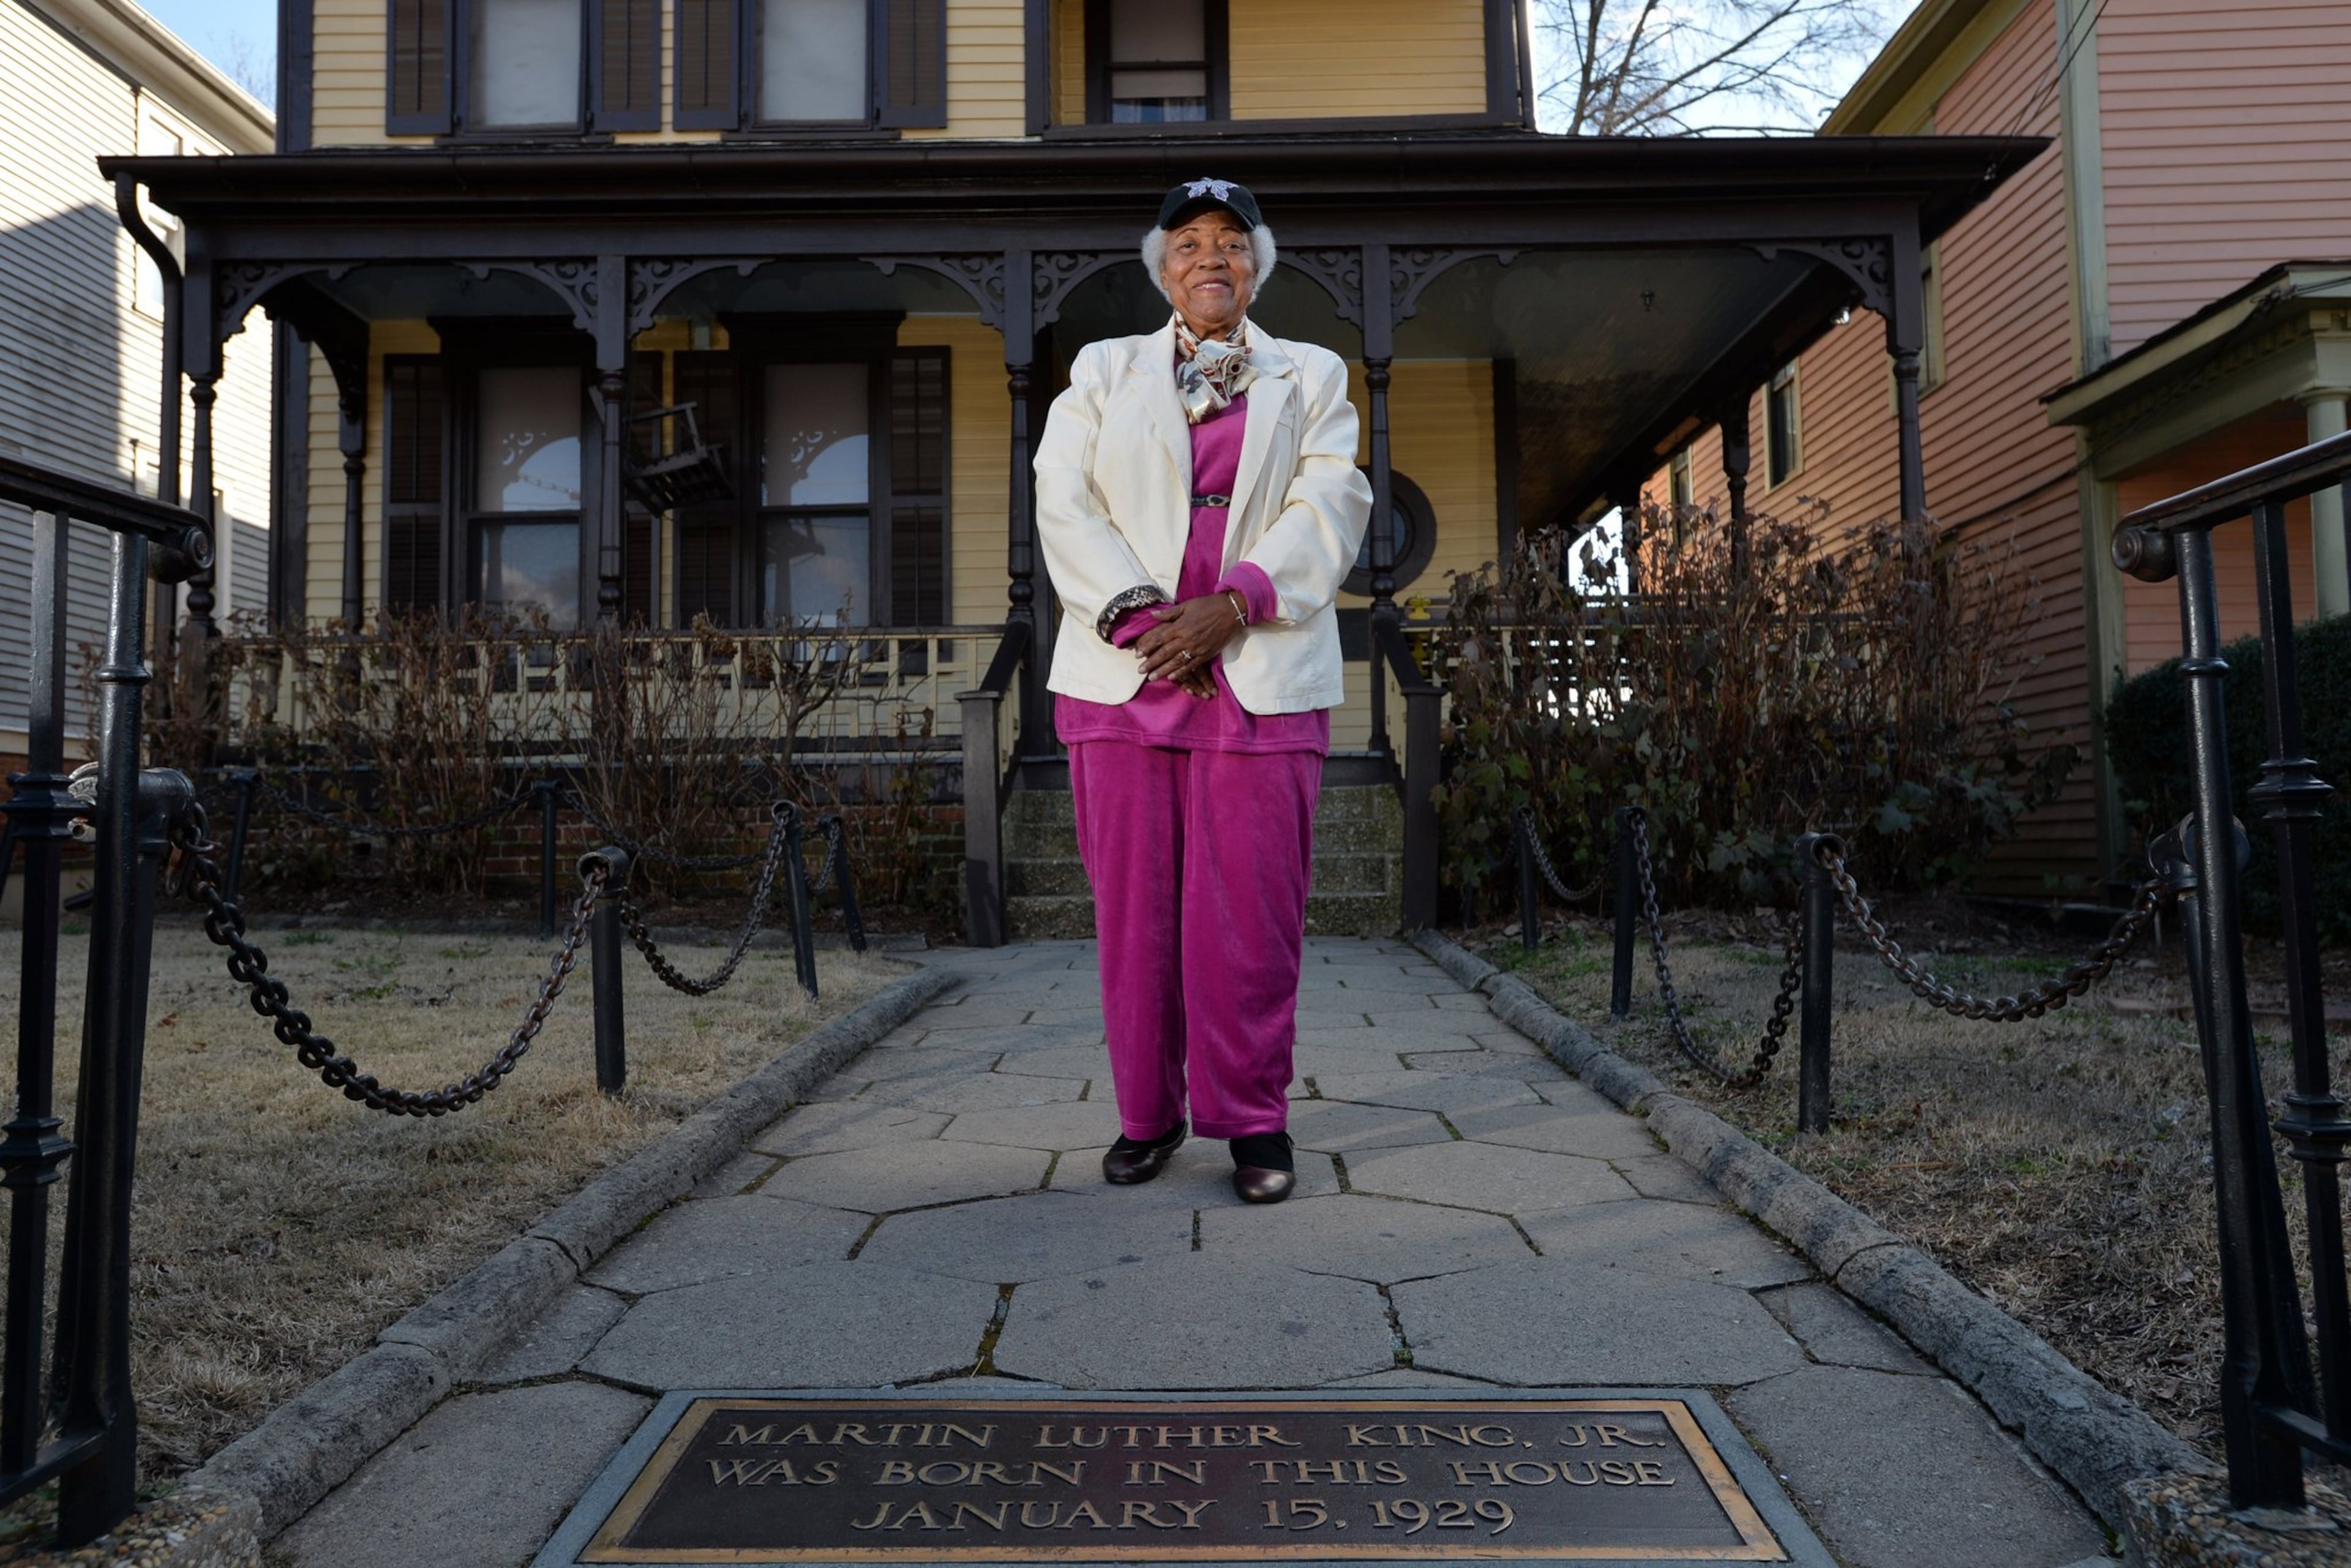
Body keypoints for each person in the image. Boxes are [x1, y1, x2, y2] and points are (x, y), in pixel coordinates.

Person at [1032, 178, 1373, 1205]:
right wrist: (1146, 620)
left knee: (1251, 919)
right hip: (1121, 677)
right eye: (1188, 244)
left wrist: (1235, 604)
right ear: (1162, 268)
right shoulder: (1101, 370)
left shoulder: (1310, 372)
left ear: (1258, 264)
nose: (1210, 259)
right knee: (1137, 918)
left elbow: (1332, 497)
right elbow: (1065, 497)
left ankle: (1255, 1122)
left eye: (1231, 241)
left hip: (1258, 673)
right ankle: (1148, 1116)